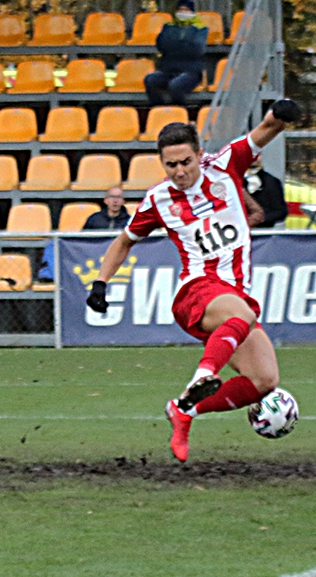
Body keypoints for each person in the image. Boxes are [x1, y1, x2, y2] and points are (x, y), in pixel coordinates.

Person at [85, 98, 302, 462]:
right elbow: (124, 241)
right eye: (170, 165)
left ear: (200, 154)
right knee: (243, 313)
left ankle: (184, 411)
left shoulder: (226, 166)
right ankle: (200, 377)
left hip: (231, 298)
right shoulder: (158, 200)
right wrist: (100, 282)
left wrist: (281, 115)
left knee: (265, 380)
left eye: (186, 162)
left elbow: (265, 129)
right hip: (197, 292)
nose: (179, 171)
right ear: (162, 164)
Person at [144, 0, 207, 106]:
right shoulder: (168, 27)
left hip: (191, 71)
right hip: (168, 70)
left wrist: (174, 45)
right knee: (150, 80)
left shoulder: (200, 28)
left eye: (186, 10)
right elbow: (161, 45)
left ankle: (179, 110)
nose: (183, 12)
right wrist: (184, 44)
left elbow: (197, 49)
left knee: (176, 85)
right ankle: (159, 109)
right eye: (180, 10)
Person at [243, 155, 287, 228]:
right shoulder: (232, 181)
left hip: (264, 232)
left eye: (258, 154)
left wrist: (259, 220)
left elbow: (281, 212)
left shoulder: (272, 181)